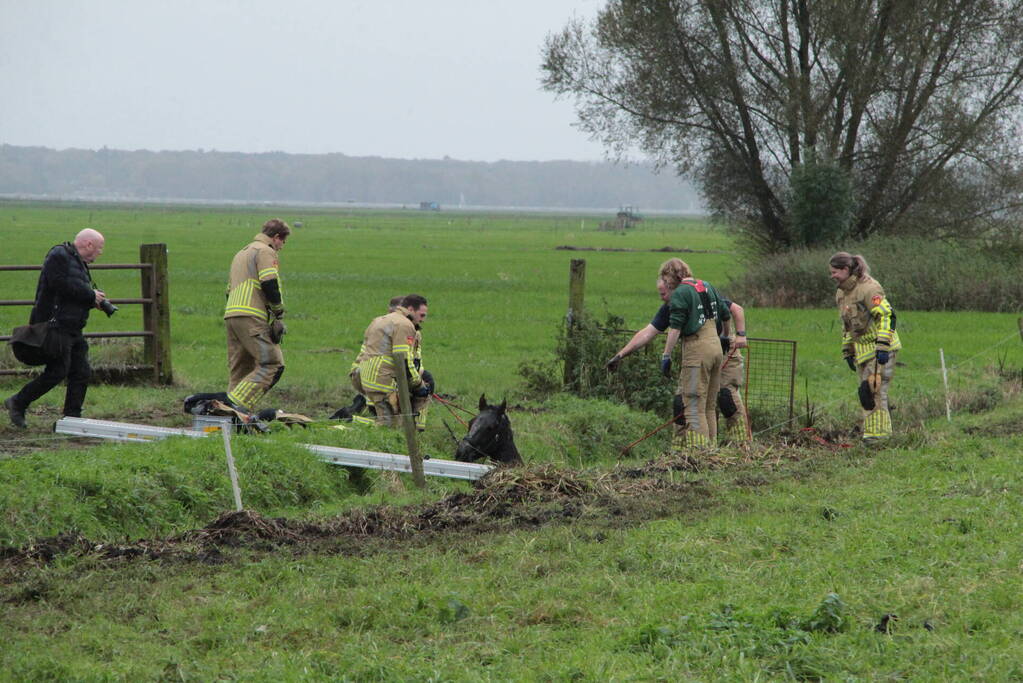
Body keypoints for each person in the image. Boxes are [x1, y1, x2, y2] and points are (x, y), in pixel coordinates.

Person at [4, 229, 109, 428]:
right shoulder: (59, 255)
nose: (100, 253)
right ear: (88, 245)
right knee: (58, 371)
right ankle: (18, 402)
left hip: (73, 327)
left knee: (81, 372)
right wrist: (89, 295)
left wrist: (92, 300)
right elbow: (59, 284)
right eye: (99, 249)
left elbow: (71, 294)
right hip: (56, 326)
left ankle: (72, 418)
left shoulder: (79, 262)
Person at [658, 258, 729, 452]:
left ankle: (700, 453)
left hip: (697, 349)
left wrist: (666, 355)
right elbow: (726, 313)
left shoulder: (681, 292)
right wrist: (725, 337)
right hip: (715, 346)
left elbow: (675, 327)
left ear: (669, 277)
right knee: (709, 406)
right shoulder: (706, 286)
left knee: (693, 405)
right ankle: (713, 450)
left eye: (664, 279)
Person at [830, 252, 901, 440]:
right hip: (861, 352)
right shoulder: (841, 293)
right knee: (865, 395)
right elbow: (847, 325)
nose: (832, 276)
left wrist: (883, 346)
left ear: (846, 270)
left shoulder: (869, 288)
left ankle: (879, 437)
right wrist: (847, 350)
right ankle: (872, 434)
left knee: (873, 391)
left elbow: (888, 316)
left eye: (835, 272)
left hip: (880, 350)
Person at [223, 218, 290, 413]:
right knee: (272, 364)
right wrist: (278, 312)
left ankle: (225, 419)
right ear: (276, 237)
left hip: (232, 315)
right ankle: (234, 408)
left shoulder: (240, 253)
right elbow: (269, 282)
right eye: (283, 243)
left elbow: (229, 290)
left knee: (241, 370)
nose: (281, 248)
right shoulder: (265, 251)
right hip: (251, 315)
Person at [349, 294, 431, 427]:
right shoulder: (405, 325)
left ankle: (351, 422)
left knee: (390, 422)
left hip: (365, 376)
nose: (423, 320)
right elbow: (404, 361)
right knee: (389, 425)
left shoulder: (379, 320)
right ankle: (349, 423)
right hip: (382, 380)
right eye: (421, 315)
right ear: (410, 309)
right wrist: (419, 385)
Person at [717, 299, 751, 442]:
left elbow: (737, 309)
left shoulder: (705, 291)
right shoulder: (676, 303)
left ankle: (742, 443)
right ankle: (707, 445)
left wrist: (740, 334)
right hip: (704, 347)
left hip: (726, 346)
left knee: (727, 396)